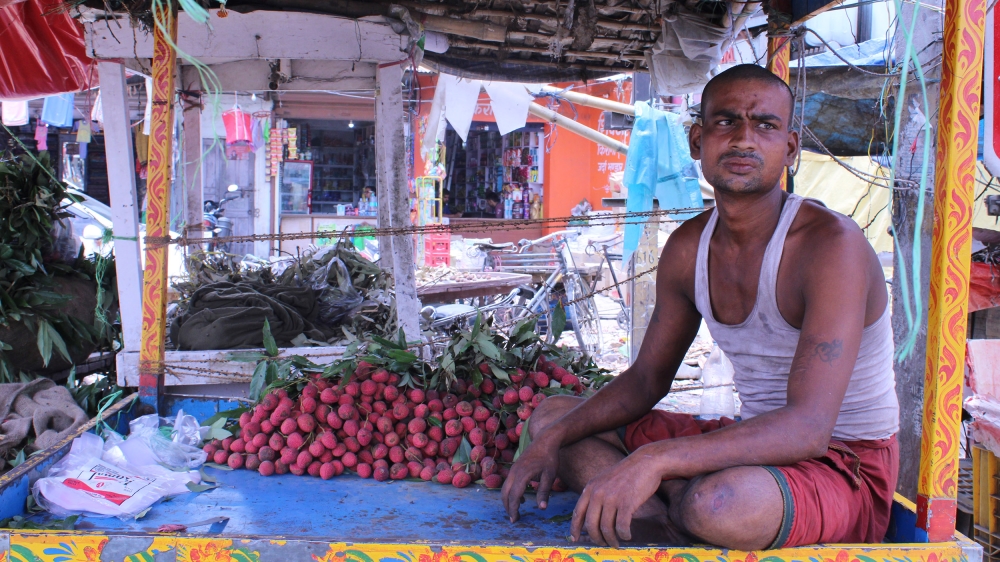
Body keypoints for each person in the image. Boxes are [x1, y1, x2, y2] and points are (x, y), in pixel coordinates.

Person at [501, 64, 899, 550]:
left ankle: (681, 505)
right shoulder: (689, 247)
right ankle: (665, 523)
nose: (743, 139)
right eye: (726, 122)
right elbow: (647, 380)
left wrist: (655, 461)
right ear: (697, 141)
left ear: (790, 149)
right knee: (553, 420)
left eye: (765, 125)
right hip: (755, 444)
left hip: (844, 465)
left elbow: (809, 430)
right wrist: (549, 440)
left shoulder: (831, 246)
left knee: (719, 504)